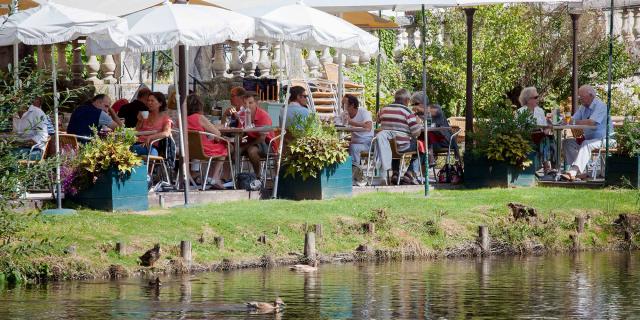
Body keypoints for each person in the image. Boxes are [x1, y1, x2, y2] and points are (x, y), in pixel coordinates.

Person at [561, 85, 615, 181]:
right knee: (567, 142)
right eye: (579, 97)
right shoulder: (583, 107)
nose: (580, 99)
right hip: (590, 138)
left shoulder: (600, 106)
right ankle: (581, 173)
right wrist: (563, 120)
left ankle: (573, 171)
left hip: (606, 139)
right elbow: (573, 119)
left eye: (582, 97)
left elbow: (591, 122)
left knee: (586, 144)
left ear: (591, 96)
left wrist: (572, 121)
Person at [376, 89, 422, 184]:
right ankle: (409, 174)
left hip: (386, 146)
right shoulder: (408, 112)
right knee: (422, 147)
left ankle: (395, 174)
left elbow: (377, 120)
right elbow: (416, 133)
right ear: (406, 100)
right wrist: (418, 123)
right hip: (402, 146)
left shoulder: (383, 110)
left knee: (393, 144)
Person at [187, 94, 229, 189]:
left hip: (188, 150)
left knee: (215, 144)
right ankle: (214, 176)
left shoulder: (182, 119)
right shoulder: (199, 117)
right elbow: (217, 133)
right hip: (203, 149)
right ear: (199, 105)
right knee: (224, 146)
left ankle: (207, 176)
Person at [410, 92, 460, 165]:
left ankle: (414, 170)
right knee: (420, 143)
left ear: (422, 102)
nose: (414, 106)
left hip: (444, 141)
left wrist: (419, 108)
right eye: (413, 104)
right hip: (431, 142)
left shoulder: (435, 108)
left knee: (422, 144)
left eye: (415, 104)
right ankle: (417, 170)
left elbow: (431, 111)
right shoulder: (419, 114)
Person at [517, 86, 554, 174]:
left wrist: (549, 124)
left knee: (549, 139)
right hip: (526, 138)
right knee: (545, 140)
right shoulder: (520, 112)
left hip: (540, 136)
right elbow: (518, 129)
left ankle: (548, 166)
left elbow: (545, 127)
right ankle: (547, 167)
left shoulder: (540, 111)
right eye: (536, 97)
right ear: (528, 99)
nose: (538, 99)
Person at [239, 91, 275, 179]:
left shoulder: (263, 116)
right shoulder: (243, 115)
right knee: (230, 149)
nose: (247, 105)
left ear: (256, 103)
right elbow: (240, 132)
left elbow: (262, 138)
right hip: (250, 141)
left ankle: (257, 176)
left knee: (251, 151)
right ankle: (230, 178)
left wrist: (244, 147)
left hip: (267, 144)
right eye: (245, 103)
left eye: (250, 103)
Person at [132, 92, 172, 157]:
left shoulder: (165, 118)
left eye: (152, 101)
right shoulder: (145, 115)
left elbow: (166, 133)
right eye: (148, 100)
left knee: (129, 149)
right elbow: (136, 131)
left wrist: (151, 137)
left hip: (153, 146)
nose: (149, 103)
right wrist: (139, 121)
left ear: (160, 103)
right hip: (139, 143)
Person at [343, 94, 374, 167]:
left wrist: (352, 122)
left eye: (344, 104)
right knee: (340, 147)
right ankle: (346, 171)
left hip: (367, 143)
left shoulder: (363, 112)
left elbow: (368, 127)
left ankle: (355, 171)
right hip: (354, 142)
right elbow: (337, 122)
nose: (342, 106)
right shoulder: (345, 114)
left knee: (353, 147)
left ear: (352, 105)